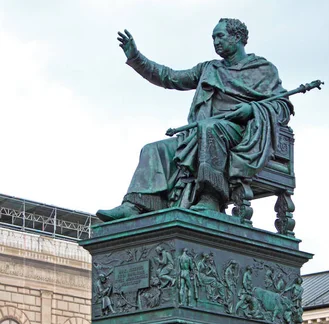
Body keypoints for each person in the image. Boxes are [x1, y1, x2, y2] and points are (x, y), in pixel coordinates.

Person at [97, 18, 292, 221]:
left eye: (220, 36)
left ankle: (211, 196)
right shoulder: (209, 69)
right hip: (201, 134)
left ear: (237, 37)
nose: (215, 41)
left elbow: (282, 107)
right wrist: (136, 58)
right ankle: (137, 204)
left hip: (243, 134)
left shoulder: (263, 69)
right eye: (213, 37)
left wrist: (251, 109)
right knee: (153, 149)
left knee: (210, 128)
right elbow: (169, 77)